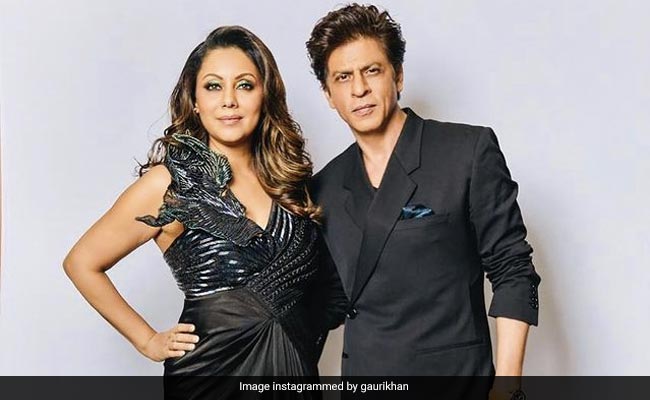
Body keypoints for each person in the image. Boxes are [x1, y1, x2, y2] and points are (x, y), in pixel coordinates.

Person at [64, 25, 345, 395]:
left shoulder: (289, 184)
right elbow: (82, 263)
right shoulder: (169, 185)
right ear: (194, 100)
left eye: (244, 85)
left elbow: (324, 295)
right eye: (213, 86)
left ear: (265, 95)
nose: (229, 100)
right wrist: (147, 340)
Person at [306, 3, 541, 381]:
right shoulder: (324, 186)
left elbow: (514, 271)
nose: (359, 89)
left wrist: (508, 385)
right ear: (329, 94)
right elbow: (328, 301)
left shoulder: (467, 152)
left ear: (398, 76)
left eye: (372, 71)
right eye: (343, 77)